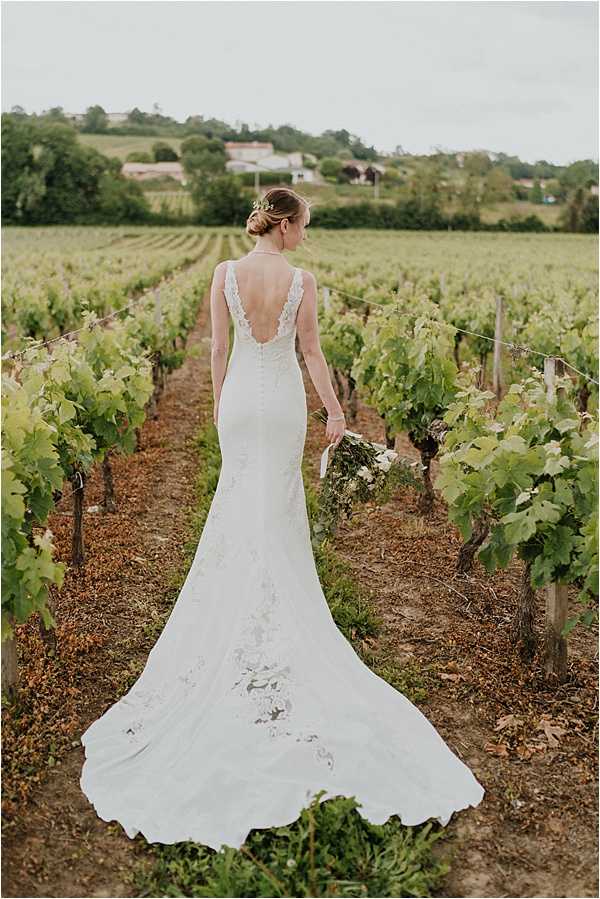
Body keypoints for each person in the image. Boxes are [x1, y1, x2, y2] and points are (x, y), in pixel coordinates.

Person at [79, 187, 484, 851]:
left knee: (239, 509)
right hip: (284, 403)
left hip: (241, 400)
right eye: (304, 226)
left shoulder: (223, 274)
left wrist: (217, 412)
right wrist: (335, 411)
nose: (305, 237)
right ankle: (277, 613)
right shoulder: (302, 282)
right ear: (287, 223)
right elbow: (314, 353)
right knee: (277, 513)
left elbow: (216, 349)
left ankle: (240, 613)